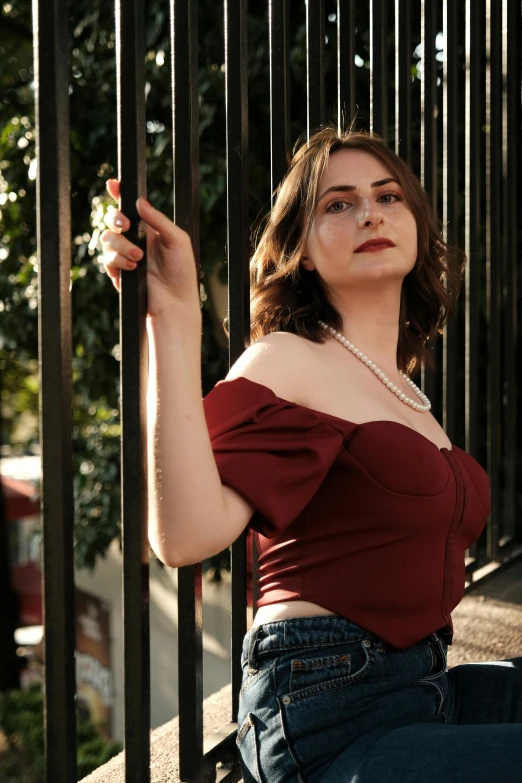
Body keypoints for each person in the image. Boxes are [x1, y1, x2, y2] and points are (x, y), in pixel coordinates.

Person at [99, 126, 522, 782]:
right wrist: (172, 316)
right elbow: (182, 535)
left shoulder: (406, 389)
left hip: (423, 685)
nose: (370, 212)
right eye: (338, 203)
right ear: (301, 250)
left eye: (388, 196)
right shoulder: (290, 357)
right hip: (324, 710)